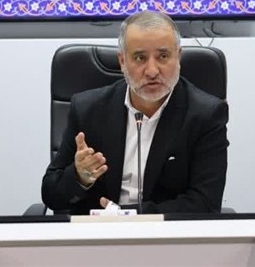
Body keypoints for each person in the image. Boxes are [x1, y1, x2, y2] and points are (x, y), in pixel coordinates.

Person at [41, 11, 229, 214]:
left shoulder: (206, 115)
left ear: (178, 57)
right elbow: (51, 195)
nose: (152, 71)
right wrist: (79, 177)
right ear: (122, 61)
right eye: (140, 58)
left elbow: (206, 204)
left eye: (163, 56)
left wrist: (127, 215)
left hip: (166, 230)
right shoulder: (88, 109)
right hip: (97, 230)